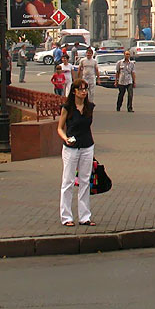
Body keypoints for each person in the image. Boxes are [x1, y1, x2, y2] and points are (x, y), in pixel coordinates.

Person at [57, 80, 95, 227]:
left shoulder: (89, 107)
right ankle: (66, 217)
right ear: (74, 91)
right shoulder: (68, 108)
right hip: (71, 148)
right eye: (81, 89)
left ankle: (85, 216)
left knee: (85, 181)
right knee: (68, 181)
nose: (84, 92)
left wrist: (91, 146)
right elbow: (60, 128)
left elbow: (88, 127)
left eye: (85, 89)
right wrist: (66, 139)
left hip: (87, 146)